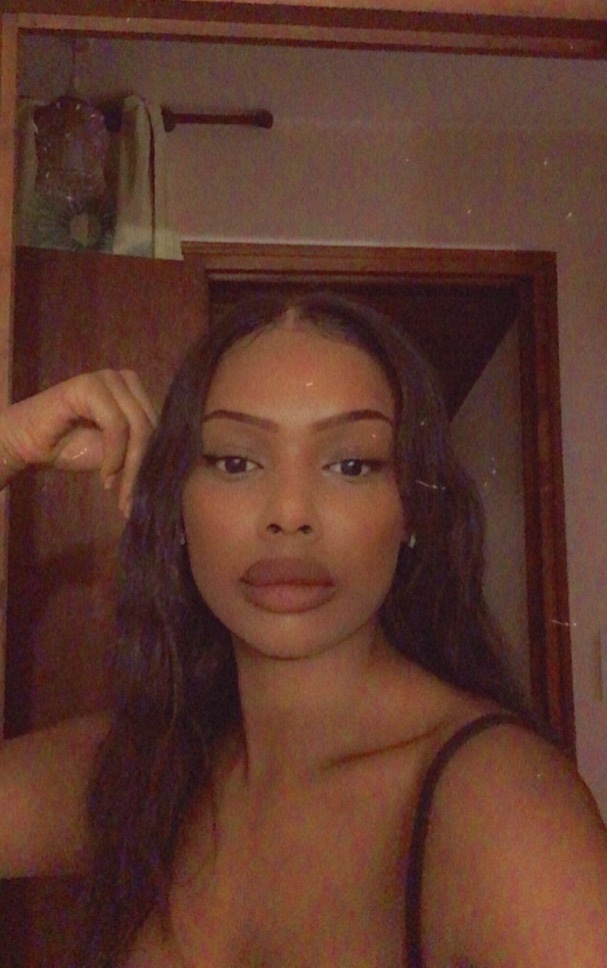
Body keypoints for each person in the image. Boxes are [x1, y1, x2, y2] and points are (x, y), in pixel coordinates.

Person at [0, 290, 606, 968]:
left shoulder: (494, 804)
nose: (289, 513)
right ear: (174, 505)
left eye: (351, 465)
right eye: (236, 462)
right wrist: (8, 443)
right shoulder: (144, 768)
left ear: (412, 510)